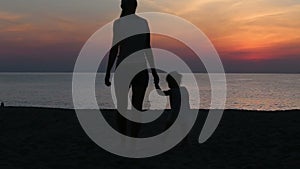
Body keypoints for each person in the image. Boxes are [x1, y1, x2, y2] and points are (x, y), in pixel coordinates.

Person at [105, 0, 159, 137]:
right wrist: (108, 72)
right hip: (134, 69)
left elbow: (147, 48)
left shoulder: (122, 23)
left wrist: (153, 71)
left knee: (128, 107)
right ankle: (128, 139)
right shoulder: (132, 23)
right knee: (131, 107)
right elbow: (115, 48)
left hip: (132, 69)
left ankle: (129, 139)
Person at [156, 72, 191, 144]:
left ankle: (163, 139)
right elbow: (187, 101)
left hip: (175, 112)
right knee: (183, 127)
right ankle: (185, 141)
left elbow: (160, 93)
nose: (168, 84)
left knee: (168, 126)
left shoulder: (172, 91)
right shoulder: (184, 89)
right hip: (185, 111)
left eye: (169, 82)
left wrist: (156, 85)